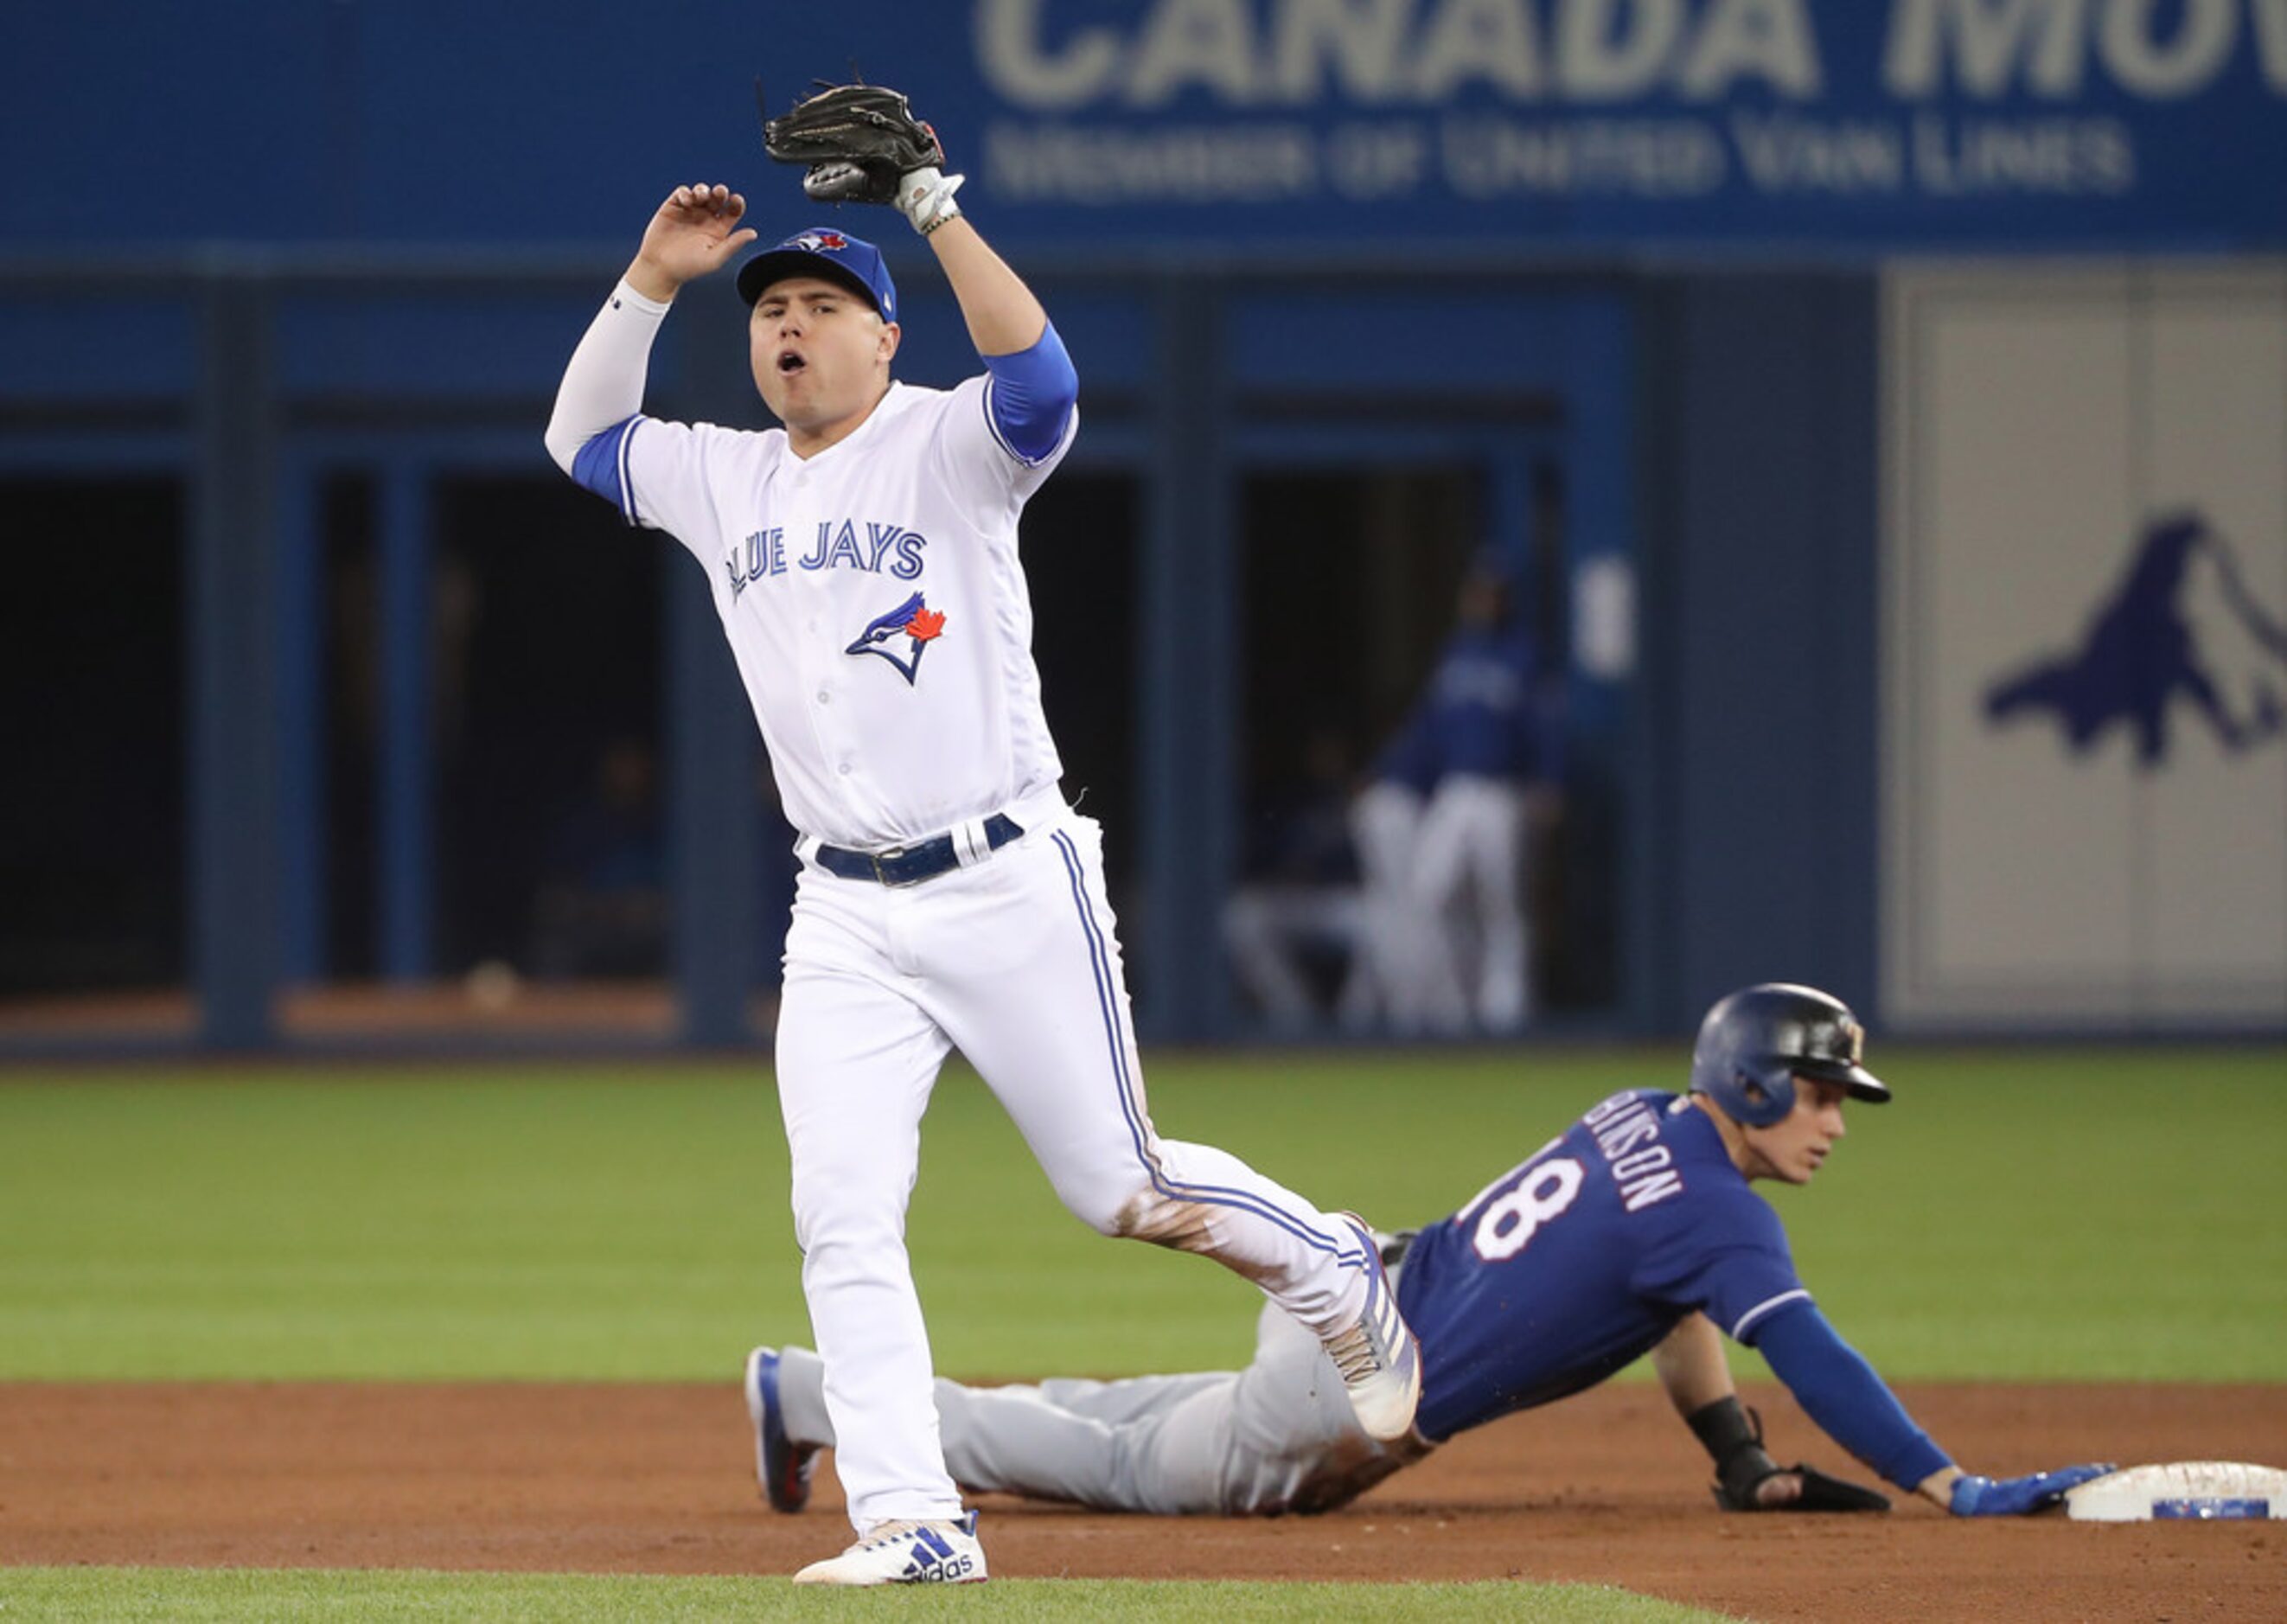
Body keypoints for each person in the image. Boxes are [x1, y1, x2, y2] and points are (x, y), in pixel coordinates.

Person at [543, 87, 1420, 1588]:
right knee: (840, 1214)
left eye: (826, 303)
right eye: (775, 308)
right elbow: (581, 436)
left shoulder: (952, 441)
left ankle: (1333, 1264)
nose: (792, 326)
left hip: (1007, 874)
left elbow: (1047, 379)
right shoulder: (726, 474)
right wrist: (649, 282)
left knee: (1120, 1185)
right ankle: (915, 1519)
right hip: (845, 916)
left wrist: (934, 210)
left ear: (887, 339)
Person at [744, 984, 2112, 1523]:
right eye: (1820, 1092)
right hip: (1347, 1392)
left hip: (1345, 1291)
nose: (1832, 1121)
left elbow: (1671, 1301)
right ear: (1754, 1087)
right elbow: (1807, 1347)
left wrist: (1738, 1457)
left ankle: (815, 1393)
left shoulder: (1646, 1122)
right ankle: (813, 1396)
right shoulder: (1720, 1210)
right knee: (1110, 1464)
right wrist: (1950, 1483)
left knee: (1132, 1411)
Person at [1406, 551, 1561, 1035]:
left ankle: (1506, 1012)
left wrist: (1549, 782)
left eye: (1492, 592)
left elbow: (1545, 727)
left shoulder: (1525, 654)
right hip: (1455, 788)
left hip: (1501, 791)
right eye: (1478, 591)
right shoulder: (1455, 653)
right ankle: (1455, 1010)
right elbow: (1430, 727)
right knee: (1429, 893)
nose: (1484, 600)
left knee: (1503, 902)